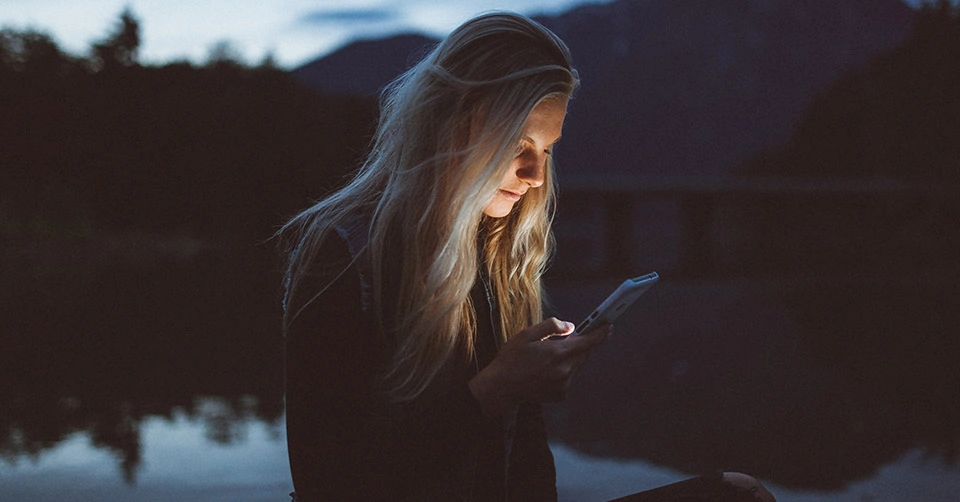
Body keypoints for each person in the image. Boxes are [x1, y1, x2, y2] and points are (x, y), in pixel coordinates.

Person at [279, 11, 775, 502]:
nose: (536, 174)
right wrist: (496, 389)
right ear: (451, 124)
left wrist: (519, 386)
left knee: (740, 494)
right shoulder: (343, 255)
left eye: (547, 148)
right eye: (518, 144)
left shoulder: (496, 255)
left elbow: (527, 462)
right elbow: (326, 480)